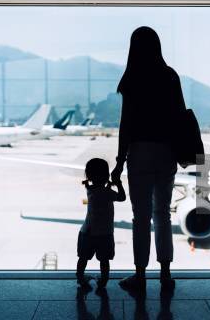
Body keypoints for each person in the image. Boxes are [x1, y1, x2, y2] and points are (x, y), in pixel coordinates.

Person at [111, 26, 185, 293]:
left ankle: (140, 275)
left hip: (139, 153)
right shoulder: (170, 76)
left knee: (140, 217)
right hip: (166, 152)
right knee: (162, 214)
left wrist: (119, 161)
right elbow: (180, 116)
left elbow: (126, 124)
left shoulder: (132, 78)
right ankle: (165, 273)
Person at [76, 158, 126, 289]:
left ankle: (80, 278)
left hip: (87, 232)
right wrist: (118, 183)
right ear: (107, 176)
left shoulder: (90, 190)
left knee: (83, 258)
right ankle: (103, 281)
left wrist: (104, 184)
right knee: (104, 260)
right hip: (104, 233)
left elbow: (95, 188)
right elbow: (122, 197)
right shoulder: (108, 193)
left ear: (88, 176)